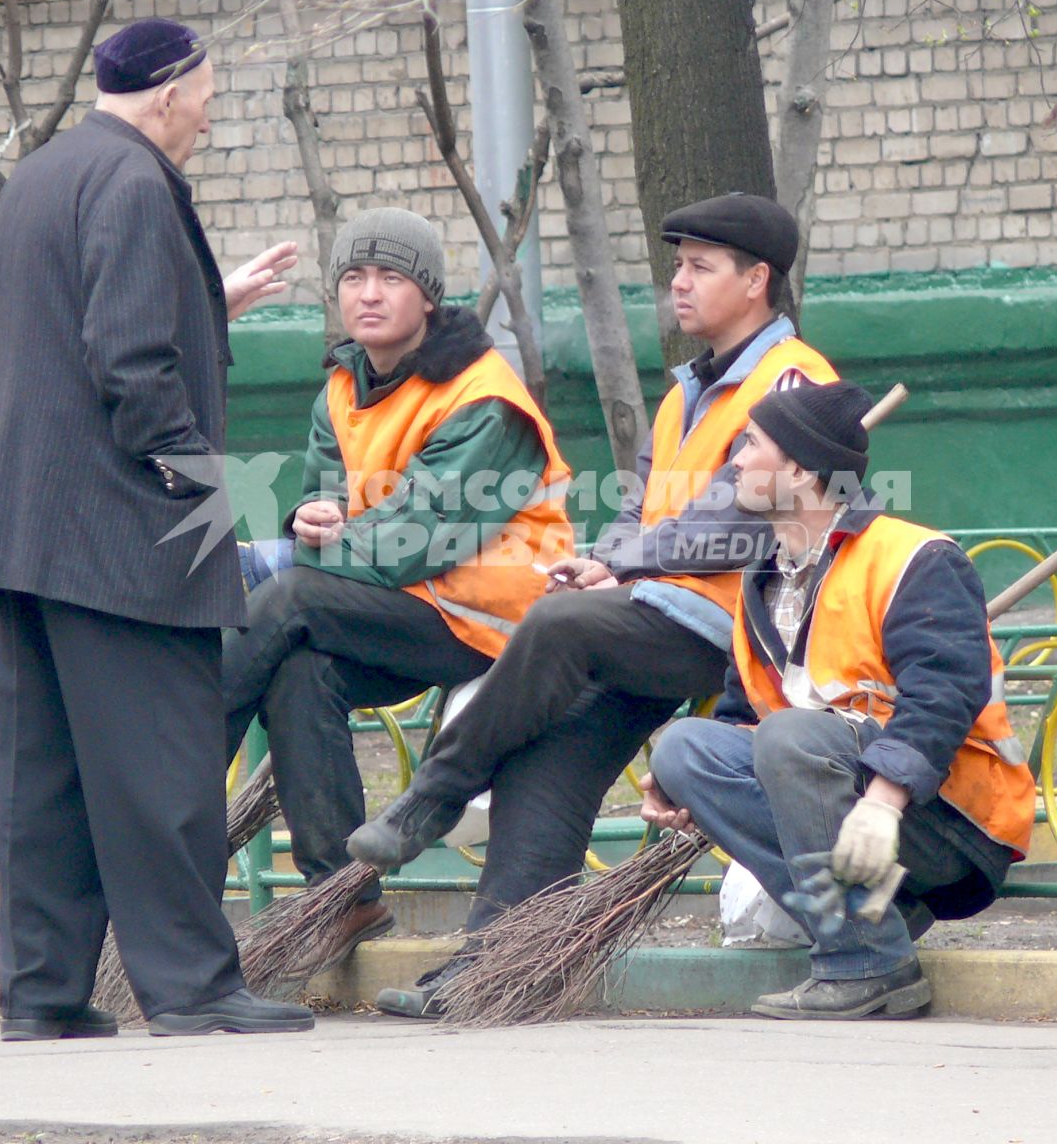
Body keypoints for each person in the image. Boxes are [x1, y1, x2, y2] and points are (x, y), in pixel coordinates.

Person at [346, 193, 839, 1018]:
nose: (677, 283)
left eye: (698, 267)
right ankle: (497, 973)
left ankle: (435, 794)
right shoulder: (688, 391)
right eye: (676, 265)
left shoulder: (791, 381)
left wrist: (624, 565)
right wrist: (607, 561)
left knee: (560, 624)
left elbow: (734, 522)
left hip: (742, 628)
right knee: (549, 756)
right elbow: (640, 505)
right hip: (658, 617)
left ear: (756, 281)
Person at [0, 17, 314, 1039]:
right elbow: (128, 363)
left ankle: (42, 995)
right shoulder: (133, 182)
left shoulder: (43, 174)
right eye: (207, 100)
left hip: (31, 533)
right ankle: (194, 987)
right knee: (163, 765)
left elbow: (67, 326)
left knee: (49, 784)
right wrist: (200, 488)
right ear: (169, 93)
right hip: (122, 532)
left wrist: (210, 301)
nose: (209, 120)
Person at [222, 207, 575, 971]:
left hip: (493, 621)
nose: (368, 293)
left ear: (428, 297)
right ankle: (340, 899)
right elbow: (331, 509)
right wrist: (308, 518)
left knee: (287, 599)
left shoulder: (484, 397)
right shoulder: (342, 388)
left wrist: (291, 554)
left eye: (390, 278)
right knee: (298, 670)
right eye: (353, 277)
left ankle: (171, 802)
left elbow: (413, 539)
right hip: (406, 609)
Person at [642, 381, 1035, 1020]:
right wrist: (684, 785)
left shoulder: (913, 556)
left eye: (751, 444)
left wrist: (884, 801)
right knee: (687, 747)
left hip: (949, 818)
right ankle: (878, 918)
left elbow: (944, 694)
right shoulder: (762, 577)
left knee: (791, 737)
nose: (735, 460)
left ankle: (868, 964)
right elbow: (746, 717)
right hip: (836, 798)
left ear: (798, 468)